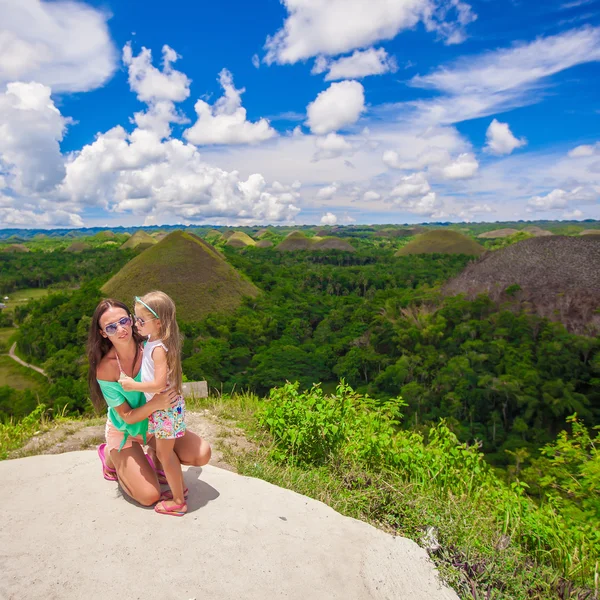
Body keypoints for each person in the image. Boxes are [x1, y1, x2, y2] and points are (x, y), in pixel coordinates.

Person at [88, 298, 211, 509]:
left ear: (132, 321)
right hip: (126, 430)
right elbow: (127, 417)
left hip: (155, 425)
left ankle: (156, 457)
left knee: (202, 453)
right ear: (102, 333)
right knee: (149, 496)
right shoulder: (106, 367)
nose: (120, 329)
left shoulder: (150, 346)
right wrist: (157, 402)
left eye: (124, 321)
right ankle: (110, 456)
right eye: (111, 327)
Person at [119, 291, 187, 516]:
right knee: (164, 454)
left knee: (166, 456)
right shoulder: (154, 342)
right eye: (135, 318)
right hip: (164, 409)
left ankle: (178, 501)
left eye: (141, 320)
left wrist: (132, 385)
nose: (136, 324)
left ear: (158, 323)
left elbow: (158, 385)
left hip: (165, 410)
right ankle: (180, 490)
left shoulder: (158, 349)